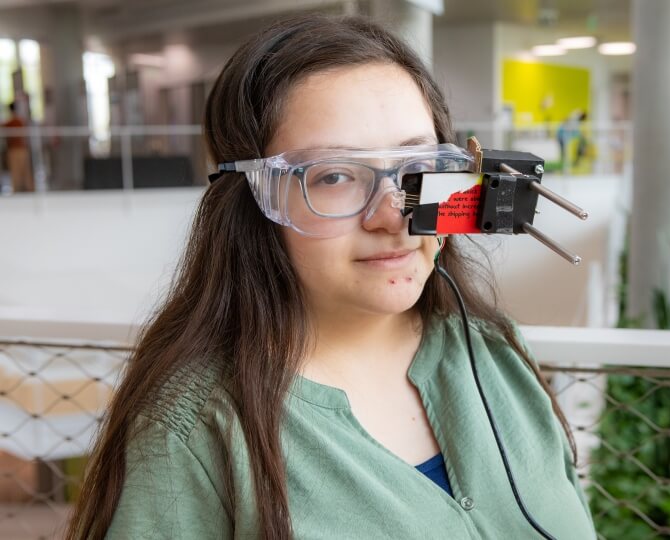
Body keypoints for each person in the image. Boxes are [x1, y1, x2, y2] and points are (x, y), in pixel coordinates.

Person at [67, 14, 596, 540]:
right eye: (335, 176)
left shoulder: (494, 350)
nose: (394, 215)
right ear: (255, 200)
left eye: (420, 166)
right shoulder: (193, 431)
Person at [2, 102, 34, 192]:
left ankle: (18, 190)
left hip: (15, 150)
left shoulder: (14, 121)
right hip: (21, 149)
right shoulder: (19, 120)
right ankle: (27, 189)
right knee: (24, 170)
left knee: (17, 171)